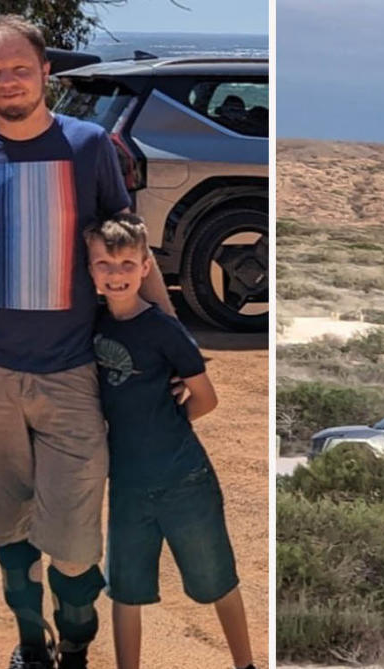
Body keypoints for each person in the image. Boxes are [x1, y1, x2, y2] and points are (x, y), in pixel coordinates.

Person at [0, 15, 175, 669]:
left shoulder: (88, 145)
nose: (8, 81)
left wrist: (172, 342)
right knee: (7, 532)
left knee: (74, 543)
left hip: (73, 373)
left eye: (20, 68)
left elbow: (130, 250)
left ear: (46, 72)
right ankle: (31, 644)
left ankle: (76, 634)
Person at [85, 215, 255, 669]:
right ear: (91, 270)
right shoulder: (93, 326)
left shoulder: (164, 329)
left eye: (126, 263)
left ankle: (246, 663)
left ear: (144, 268)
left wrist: (168, 424)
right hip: (128, 486)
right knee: (125, 589)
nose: (115, 274)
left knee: (217, 580)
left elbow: (206, 398)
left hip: (184, 479)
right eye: (104, 264)